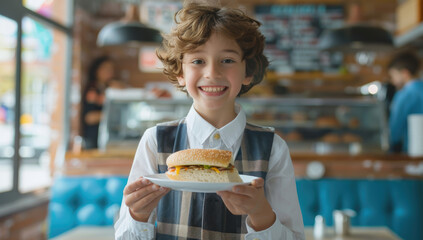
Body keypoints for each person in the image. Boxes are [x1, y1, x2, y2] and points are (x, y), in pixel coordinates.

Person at [114, 3, 305, 240]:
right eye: (197, 61)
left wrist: (261, 213)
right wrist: (138, 215)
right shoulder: (155, 141)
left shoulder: (273, 148)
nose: (212, 73)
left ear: (248, 72)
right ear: (180, 73)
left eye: (227, 60)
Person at [81, 56, 123, 149]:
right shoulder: (92, 90)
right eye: (106, 69)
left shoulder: (109, 88)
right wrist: (114, 116)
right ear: (97, 70)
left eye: (111, 69)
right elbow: (89, 117)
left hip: (107, 139)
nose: (110, 72)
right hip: (93, 140)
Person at [387, 52, 423, 153]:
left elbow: (394, 130)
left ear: (405, 73)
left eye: (393, 75)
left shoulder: (404, 95)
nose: (393, 81)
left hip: (412, 150)